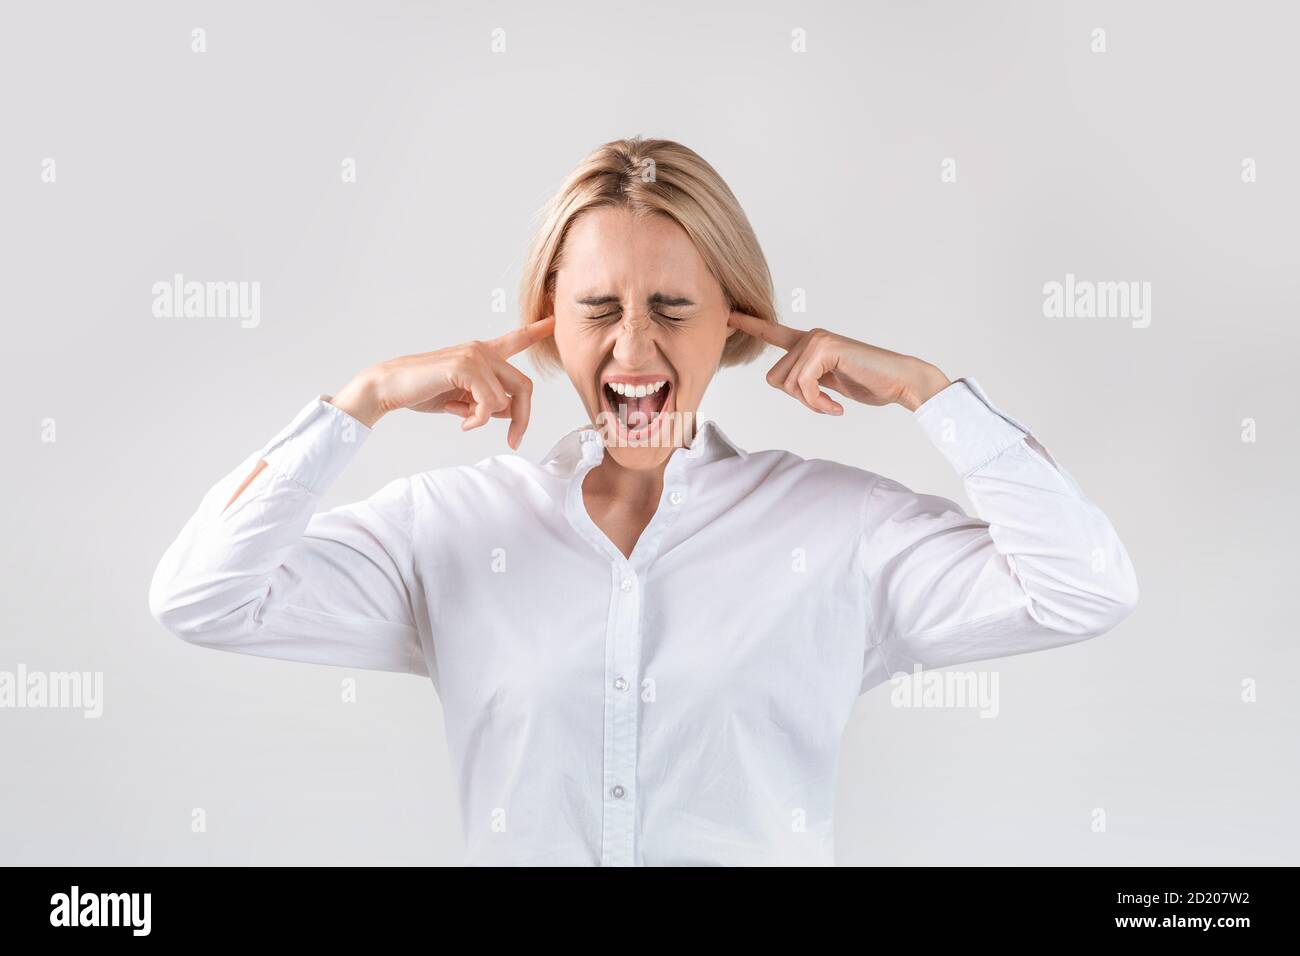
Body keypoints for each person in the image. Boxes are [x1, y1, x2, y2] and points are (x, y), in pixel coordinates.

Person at [149, 137, 1139, 866]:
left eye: (672, 308)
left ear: (736, 325)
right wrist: (358, 401)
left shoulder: (839, 530)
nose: (631, 351)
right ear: (544, 324)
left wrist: (932, 392)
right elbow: (201, 598)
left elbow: (1080, 591)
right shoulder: (448, 529)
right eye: (596, 310)